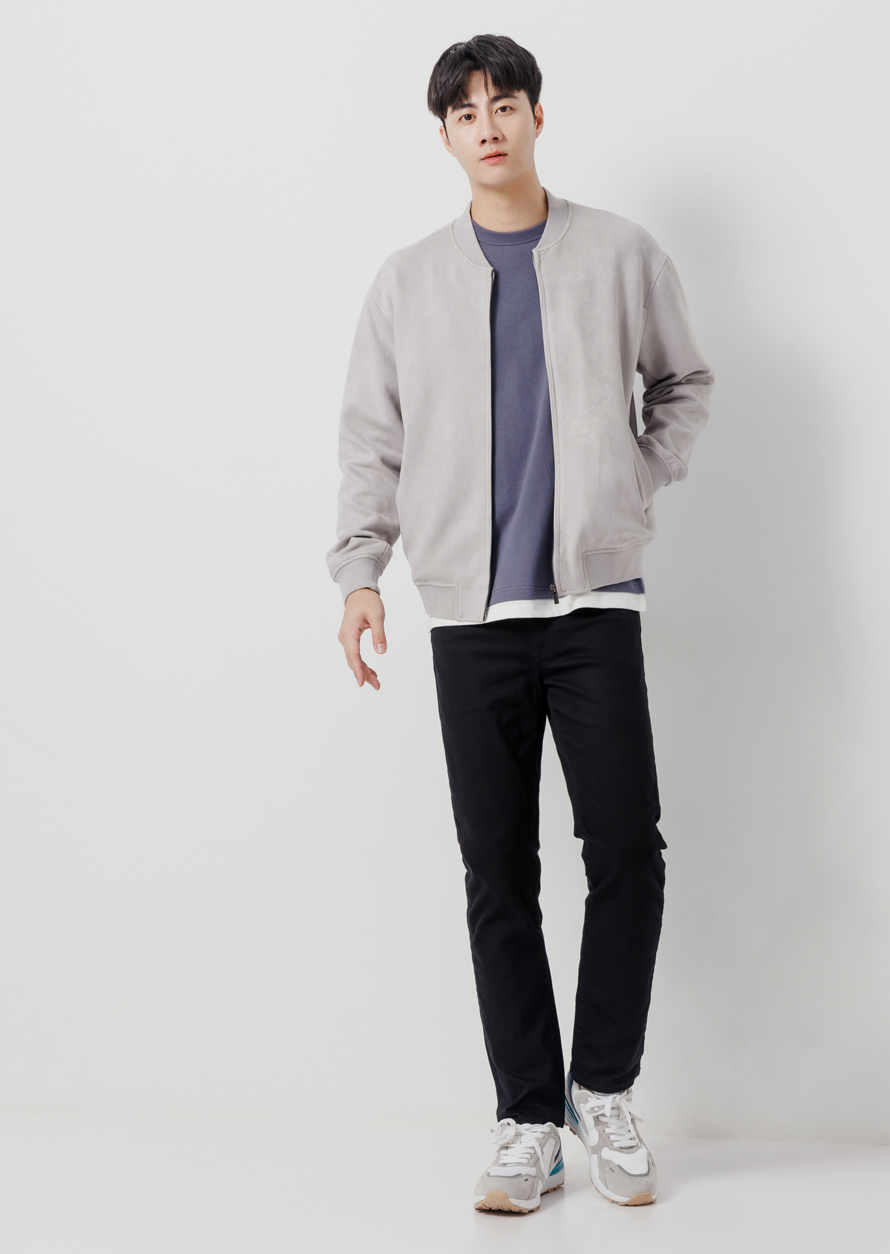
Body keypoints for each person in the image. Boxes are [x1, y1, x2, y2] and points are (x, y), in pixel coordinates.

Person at [327, 34, 713, 1212]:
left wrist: (630, 481)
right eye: (464, 112)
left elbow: (684, 384)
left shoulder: (619, 253)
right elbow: (371, 439)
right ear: (445, 135)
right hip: (471, 616)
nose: (486, 125)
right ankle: (529, 1119)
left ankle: (603, 1089)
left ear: (539, 116)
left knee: (627, 853)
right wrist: (360, 572)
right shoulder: (406, 282)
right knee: (496, 871)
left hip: (594, 605)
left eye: (503, 104)